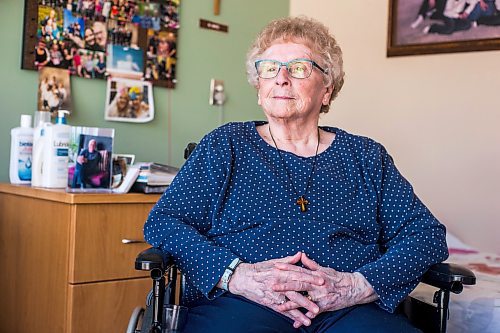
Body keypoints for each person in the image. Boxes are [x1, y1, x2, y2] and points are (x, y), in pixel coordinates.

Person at [144, 16, 448, 332]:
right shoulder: (226, 146)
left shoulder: (365, 157)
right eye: (269, 68)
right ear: (259, 86)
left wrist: (357, 286)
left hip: (349, 311)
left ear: (327, 89)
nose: (281, 78)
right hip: (239, 304)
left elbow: (426, 235)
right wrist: (236, 275)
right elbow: (164, 221)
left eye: (299, 68)